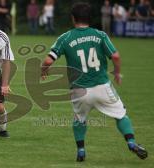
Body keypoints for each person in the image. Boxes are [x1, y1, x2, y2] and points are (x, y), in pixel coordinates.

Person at [41, 2, 148, 162]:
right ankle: (131, 142)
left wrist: (44, 70)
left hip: (79, 90)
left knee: (79, 119)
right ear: (89, 18)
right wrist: (117, 73)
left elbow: (48, 61)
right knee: (121, 115)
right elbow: (116, 56)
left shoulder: (65, 38)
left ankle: (81, 150)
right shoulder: (100, 35)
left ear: (73, 18)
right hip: (102, 86)